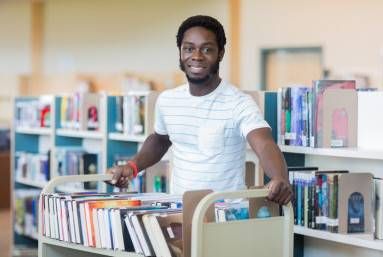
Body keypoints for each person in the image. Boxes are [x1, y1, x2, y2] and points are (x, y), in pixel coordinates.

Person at [107, 15, 292, 205]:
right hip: (180, 211)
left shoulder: (239, 102)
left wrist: (279, 177)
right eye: (189, 48)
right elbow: (161, 139)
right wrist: (132, 166)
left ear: (220, 53)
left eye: (207, 49)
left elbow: (264, 143)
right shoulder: (167, 100)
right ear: (180, 52)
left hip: (227, 214)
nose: (196, 56)